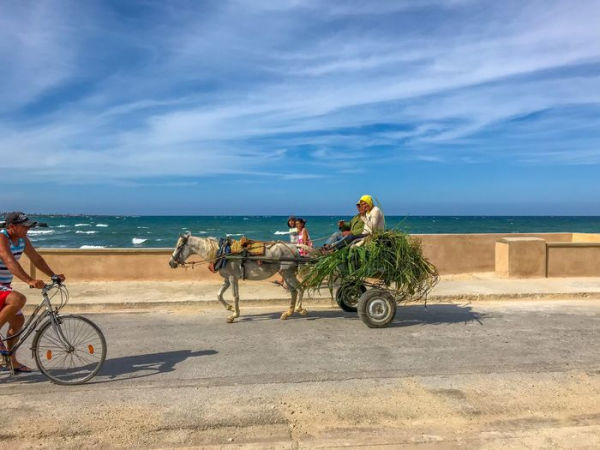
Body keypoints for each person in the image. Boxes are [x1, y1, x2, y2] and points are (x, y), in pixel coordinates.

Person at [0, 212, 65, 373]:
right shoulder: (1, 238)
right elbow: (9, 262)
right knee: (18, 300)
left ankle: (12, 362)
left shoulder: (22, 239)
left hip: (4, 285)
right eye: (24, 226)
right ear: (11, 227)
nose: (27, 229)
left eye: (28, 226)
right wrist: (29, 280)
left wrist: (53, 275)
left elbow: (36, 259)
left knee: (18, 322)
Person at [273, 216, 298, 288]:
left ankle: (285, 280)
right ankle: (282, 280)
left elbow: (296, 238)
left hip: (296, 247)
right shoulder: (292, 229)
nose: (291, 222)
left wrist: (280, 233)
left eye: (292, 221)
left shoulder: (296, 229)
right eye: (290, 221)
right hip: (293, 246)